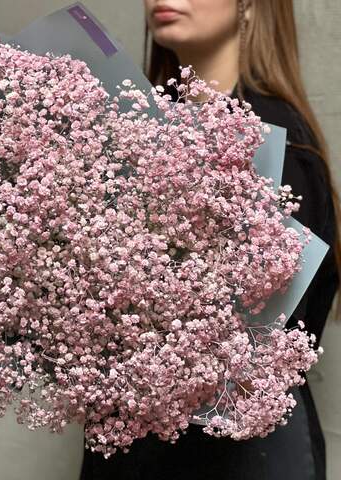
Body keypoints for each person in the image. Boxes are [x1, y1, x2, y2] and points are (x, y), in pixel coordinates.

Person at [78, 1, 341, 479]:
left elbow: (263, 349)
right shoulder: (122, 138)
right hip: (132, 453)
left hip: (234, 460)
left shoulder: (277, 149)